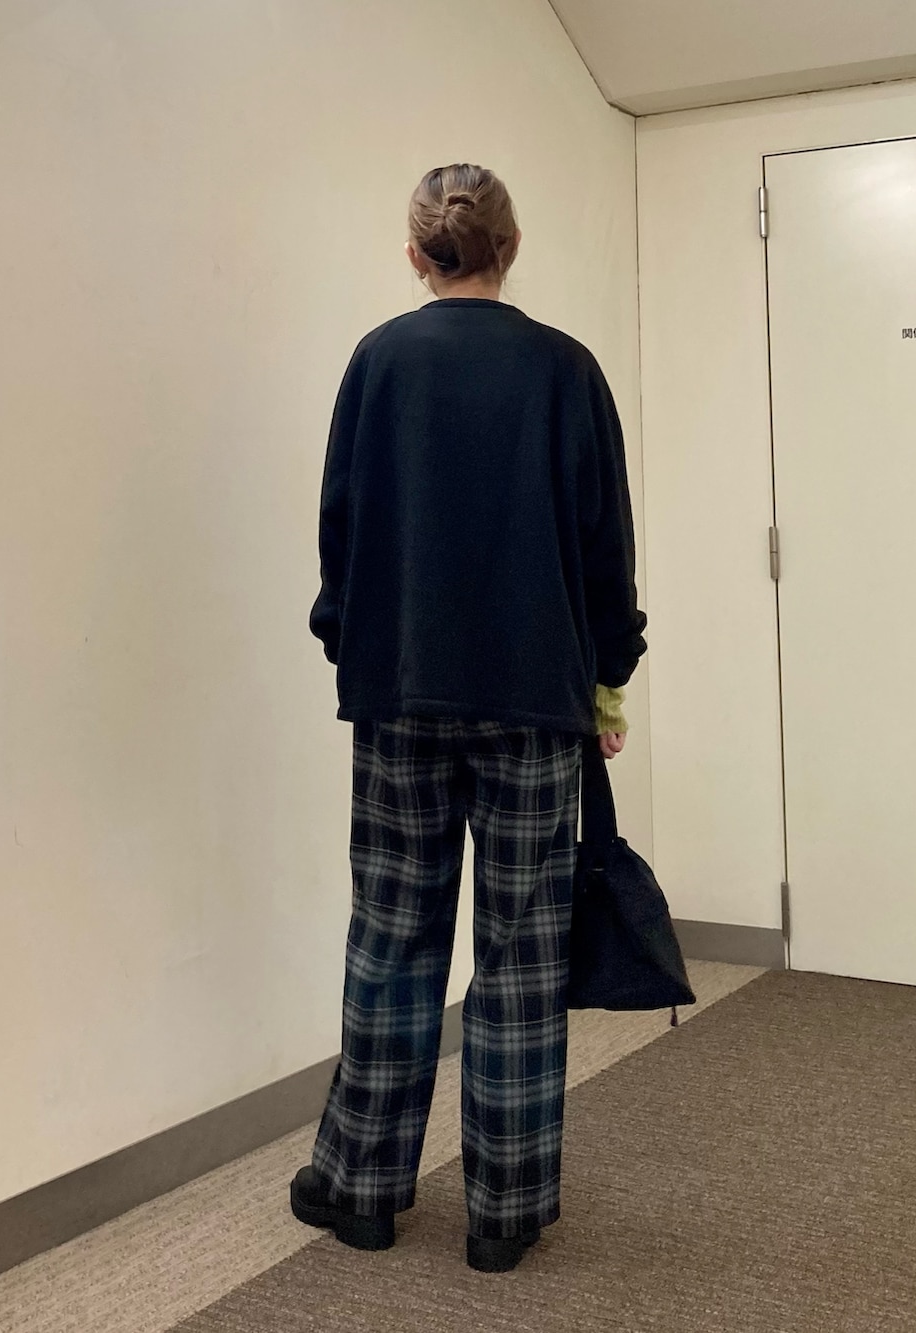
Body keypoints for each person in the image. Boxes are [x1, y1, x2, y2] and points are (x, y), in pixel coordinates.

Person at [290, 163, 647, 1274]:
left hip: (401, 693)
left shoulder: (378, 361)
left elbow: (341, 526)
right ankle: (503, 1213)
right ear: (513, 246)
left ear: (416, 254)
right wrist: (607, 678)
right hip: (534, 702)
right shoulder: (566, 369)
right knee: (521, 956)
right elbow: (604, 542)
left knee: (391, 941)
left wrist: (349, 641)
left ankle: (362, 1192)